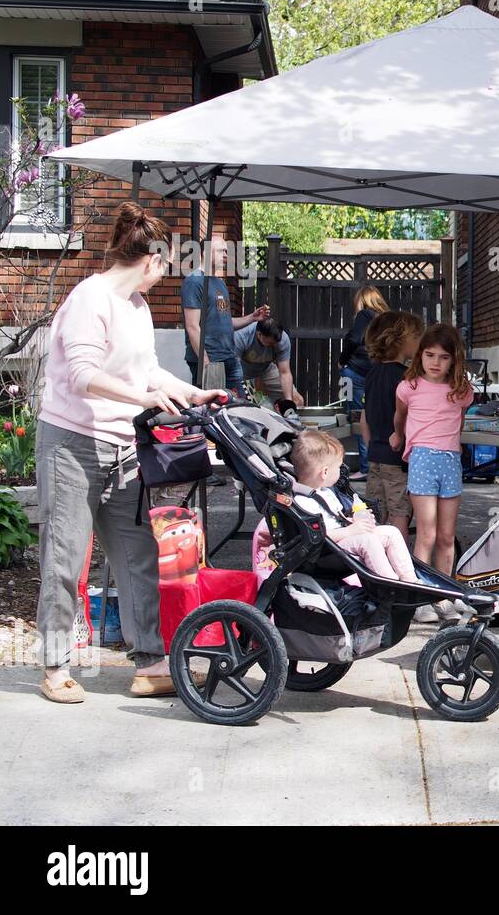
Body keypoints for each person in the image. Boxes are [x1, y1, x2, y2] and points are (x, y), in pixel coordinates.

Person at [35, 202, 225, 704]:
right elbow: (82, 375)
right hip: (71, 445)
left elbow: (146, 375)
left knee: (138, 556)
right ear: (151, 260)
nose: (164, 278)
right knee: (65, 555)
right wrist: (142, 400)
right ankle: (55, 666)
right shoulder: (90, 299)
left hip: (120, 448)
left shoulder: (138, 309)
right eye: (165, 266)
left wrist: (190, 393)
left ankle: (151, 664)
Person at [393, 324, 474, 581]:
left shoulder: (461, 391)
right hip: (422, 460)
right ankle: (421, 594)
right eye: (430, 355)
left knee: (446, 536)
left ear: (454, 360)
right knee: (426, 534)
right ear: (420, 356)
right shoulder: (409, 387)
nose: (435, 362)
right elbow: (400, 416)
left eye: (443, 357)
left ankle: (443, 595)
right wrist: (399, 434)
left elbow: (458, 421)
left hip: (451, 461)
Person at [290, 430, 418, 583]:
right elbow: (315, 536)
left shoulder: (326, 493)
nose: (340, 470)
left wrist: (356, 520)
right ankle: (391, 584)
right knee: (368, 542)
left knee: (391, 532)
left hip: (342, 541)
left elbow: (339, 518)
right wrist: (351, 530)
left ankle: (410, 580)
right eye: (337, 467)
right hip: (326, 552)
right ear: (324, 472)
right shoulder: (304, 502)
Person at [359, 310, 426, 540]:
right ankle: (399, 568)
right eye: (417, 337)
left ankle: (374, 562)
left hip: (376, 456)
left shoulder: (371, 374)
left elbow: (364, 417)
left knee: (374, 514)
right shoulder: (407, 378)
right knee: (400, 514)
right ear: (402, 339)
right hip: (398, 459)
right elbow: (411, 417)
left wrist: (371, 446)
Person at [182, 233, 268, 394]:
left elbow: (226, 322)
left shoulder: (220, 283)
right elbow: (192, 326)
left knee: (239, 406)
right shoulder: (194, 281)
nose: (226, 255)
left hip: (229, 358)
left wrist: (253, 317)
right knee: (212, 411)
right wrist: (206, 362)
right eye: (221, 251)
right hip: (211, 360)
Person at [338, 284, 388, 477]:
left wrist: (342, 361)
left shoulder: (365, 315)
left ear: (362, 300)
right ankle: (378, 464)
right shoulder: (385, 320)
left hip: (356, 372)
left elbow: (353, 338)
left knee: (359, 418)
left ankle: (366, 467)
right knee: (376, 417)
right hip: (376, 373)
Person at [235, 316, 304, 406]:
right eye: (271, 343)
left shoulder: (282, 340)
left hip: (267, 369)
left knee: (297, 401)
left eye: (276, 342)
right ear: (259, 334)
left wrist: (289, 402)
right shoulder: (242, 336)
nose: (275, 345)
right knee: (247, 406)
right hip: (244, 373)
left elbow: (285, 372)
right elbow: (235, 370)